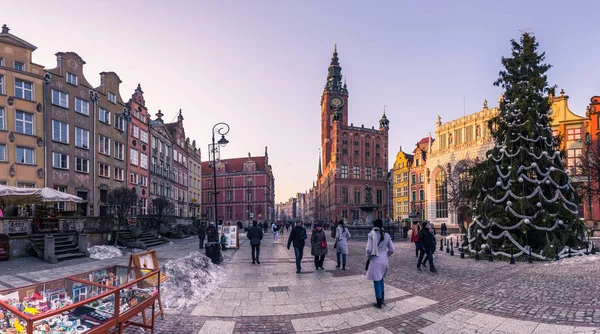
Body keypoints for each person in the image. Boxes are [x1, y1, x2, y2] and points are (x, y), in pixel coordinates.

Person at [366, 219, 395, 309]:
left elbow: (368, 249)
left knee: (376, 281)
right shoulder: (387, 235)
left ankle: (378, 302)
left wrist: (368, 257)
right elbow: (392, 249)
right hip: (384, 259)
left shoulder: (371, 234)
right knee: (381, 278)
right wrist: (385, 255)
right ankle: (382, 298)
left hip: (375, 259)